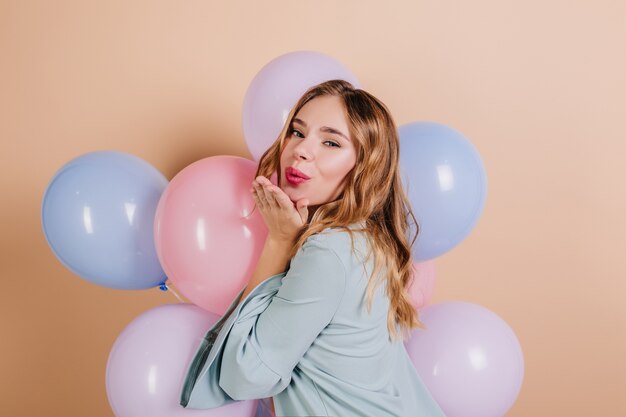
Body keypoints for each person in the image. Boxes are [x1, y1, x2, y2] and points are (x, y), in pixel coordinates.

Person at [179, 79, 446, 417]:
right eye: (297, 131)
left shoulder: (328, 251)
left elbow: (244, 376)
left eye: (331, 142)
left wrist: (279, 242)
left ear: (365, 165)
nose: (301, 150)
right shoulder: (366, 238)